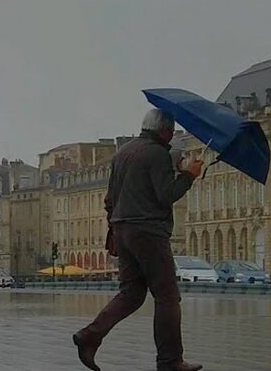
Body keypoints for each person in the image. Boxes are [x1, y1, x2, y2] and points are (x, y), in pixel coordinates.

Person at [73, 109, 205, 371]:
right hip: (148, 231)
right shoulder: (157, 153)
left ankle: (90, 336)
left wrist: (115, 226)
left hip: (124, 229)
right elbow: (166, 195)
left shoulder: (123, 152)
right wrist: (189, 175)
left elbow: (110, 198)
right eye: (170, 134)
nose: (170, 141)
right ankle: (170, 361)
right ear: (165, 131)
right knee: (167, 297)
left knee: (131, 294)